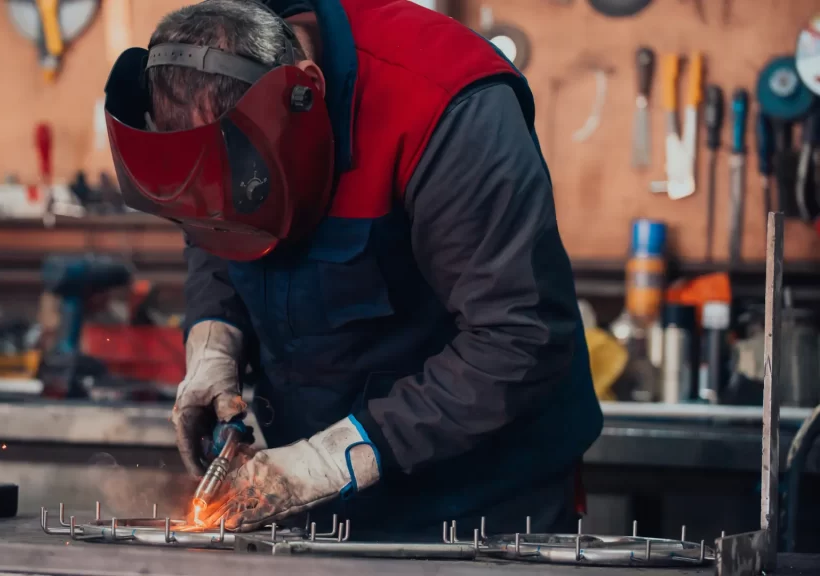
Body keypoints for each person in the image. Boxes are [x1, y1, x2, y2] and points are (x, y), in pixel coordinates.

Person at [103, 0, 603, 540]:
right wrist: (213, 344)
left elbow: (518, 339)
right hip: (319, 508)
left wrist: (334, 459)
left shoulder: (445, 107)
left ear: (307, 90)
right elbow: (214, 229)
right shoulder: (227, 119)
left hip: (483, 507)